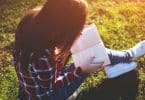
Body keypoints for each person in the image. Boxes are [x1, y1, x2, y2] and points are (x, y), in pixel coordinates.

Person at [13, 0, 145, 100]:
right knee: (90, 58)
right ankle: (125, 57)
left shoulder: (32, 19)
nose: (79, 31)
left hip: (30, 86)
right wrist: (82, 71)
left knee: (86, 45)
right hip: (49, 96)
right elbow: (53, 87)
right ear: (64, 28)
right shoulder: (44, 56)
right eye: (77, 27)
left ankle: (122, 58)